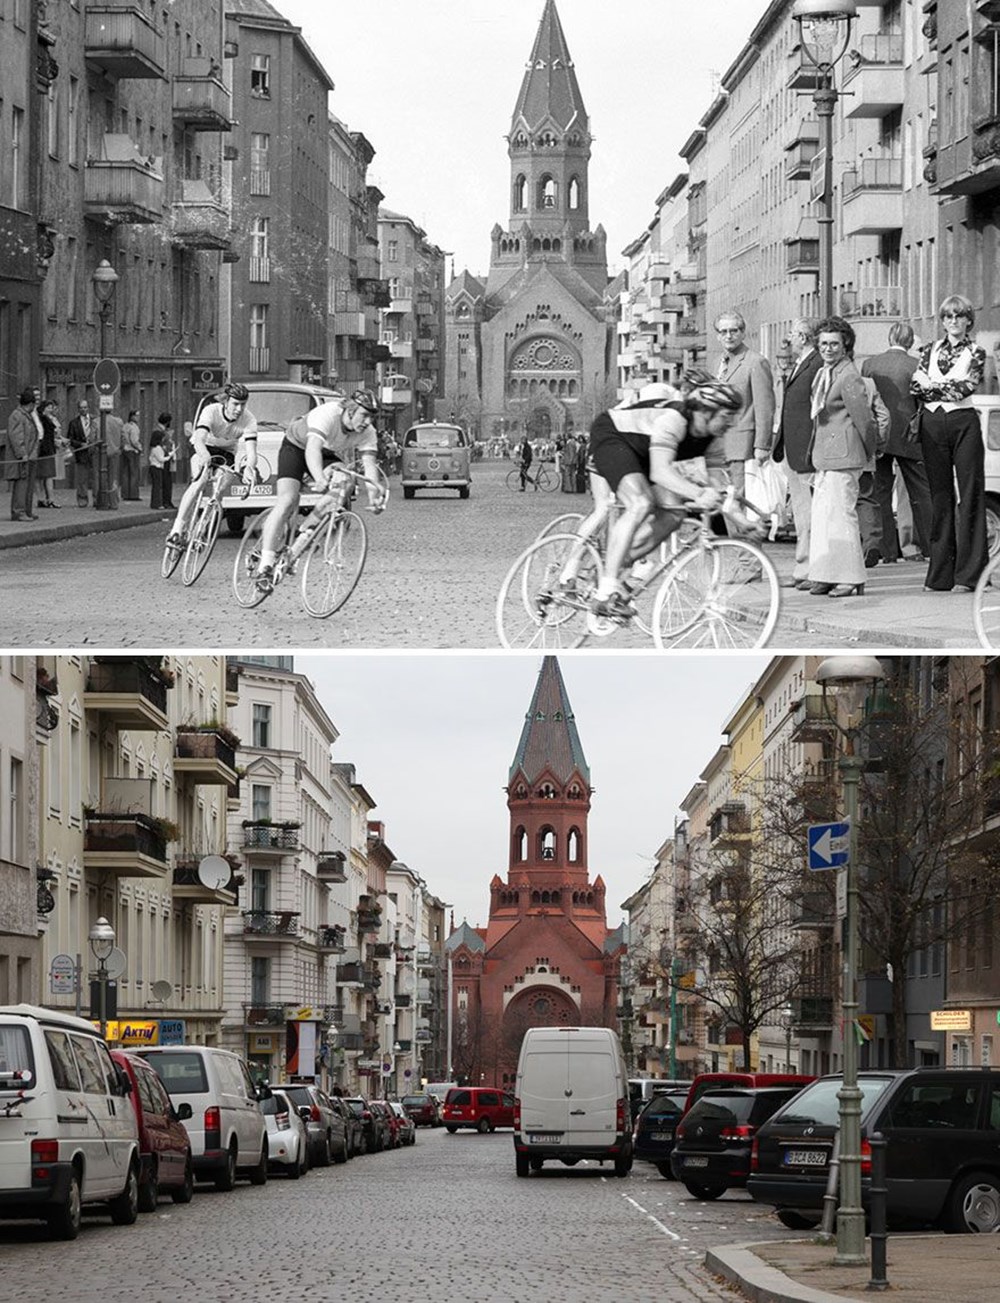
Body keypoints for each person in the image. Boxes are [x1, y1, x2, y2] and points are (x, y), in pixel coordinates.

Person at [586, 381, 759, 617]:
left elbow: (716, 483)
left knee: (675, 514)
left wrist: (741, 520)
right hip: (615, 435)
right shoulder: (674, 420)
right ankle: (604, 593)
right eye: (727, 415)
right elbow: (660, 472)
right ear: (706, 412)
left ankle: (618, 562)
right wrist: (699, 494)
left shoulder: (714, 437)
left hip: (647, 452)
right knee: (640, 503)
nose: (732, 423)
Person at [255, 388, 385, 591]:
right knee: (287, 500)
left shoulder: (367, 433)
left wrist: (373, 497)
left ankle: (304, 534)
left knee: (347, 481)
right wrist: (319, 478)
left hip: (327, 452)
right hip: (297, 446)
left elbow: (369, 466)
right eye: (365, 415)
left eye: (372, 417)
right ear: (350, 410)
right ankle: (265, 566)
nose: (368, 422)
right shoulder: (327, 414)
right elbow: (312, 448)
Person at [910, 293, 987, 593]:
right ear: (942, 321)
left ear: (968, 319)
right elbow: (916, 386)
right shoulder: (929, 350)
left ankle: (970, 575)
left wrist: (934, 386)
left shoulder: (977, 352)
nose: (953, 321)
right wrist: (936, 387)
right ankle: (940, 575)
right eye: (947, 316)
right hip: (932, 424)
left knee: (970, 494)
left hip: (963, 423)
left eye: (959, 316)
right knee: (939, 496)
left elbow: (967, 386)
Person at [806, 317, 879, 598]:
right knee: (824, 518)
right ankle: (825, 574)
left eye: (834, 343)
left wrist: (867, 452)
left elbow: (864, 419)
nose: (828, 348)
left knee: (842, 519)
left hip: (844, 456)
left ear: (845, 344)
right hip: (825, 456)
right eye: (823, 343)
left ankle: (850, 578)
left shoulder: (848, 375)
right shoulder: (827, 372)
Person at [860, 322, 932, 566]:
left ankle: (885, 550)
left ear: (889, 338)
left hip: (880, 435)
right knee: (921, 492)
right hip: (909, 437)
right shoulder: (916, 365)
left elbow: (864, 400)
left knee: (879, 492)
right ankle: (932, 545)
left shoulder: (870, 365)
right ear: (910, 342)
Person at [165, 382, 258, 547]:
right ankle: (177, 529)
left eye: (243, 404)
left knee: (220, 490)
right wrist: (204, 455)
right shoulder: (211, 411)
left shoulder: (249, 419)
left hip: (227, 453)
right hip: (204, 447)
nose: (239, 409)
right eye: (235, 404)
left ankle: (202, 531)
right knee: (200, 482)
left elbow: (251, 452)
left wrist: (250, 468)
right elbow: (199, 438)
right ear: (226, 401)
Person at [774, 319, 822, 589]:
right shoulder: (801, 363)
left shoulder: (813, 364)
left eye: (792, 333)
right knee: (802, 512)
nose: (789, 338)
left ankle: (807, 568)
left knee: (807, 512)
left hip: (804, 450)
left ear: (803, 337)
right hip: (793, 448)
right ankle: (803, 565)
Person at [714, 310, 775, 494]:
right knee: (724, 504)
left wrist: (762, 446)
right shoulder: (718, 363)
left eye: (733, 331)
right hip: (719, 447)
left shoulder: (755, 362)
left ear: (743, 333)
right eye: (723, 332)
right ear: (718, 336)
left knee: (739, 500)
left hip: (743, 446)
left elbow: (764, 407)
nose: (728, 336)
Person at [5, 387, 40, 521]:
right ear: (30, 404)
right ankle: (19, 511)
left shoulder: (26, 415)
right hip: (23, 457)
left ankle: (27, 510)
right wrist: (22, 454)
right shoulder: (17, 415)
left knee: (28, 485)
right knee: (21, 485)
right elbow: (16, 437)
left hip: (30, 456)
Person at [66, 398, 95, 507]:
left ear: (88, 408)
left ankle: (97, 499)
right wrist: (80, 444)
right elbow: (70, 439)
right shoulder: (74, 423)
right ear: (78, 409)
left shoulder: (95, 420)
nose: (83, 410)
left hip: (94, 452)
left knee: (95, 477)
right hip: (81, 454)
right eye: (81, 408)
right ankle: (82, 499)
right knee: (82, 479)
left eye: (85, 407)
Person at [36, 398, 62, 509]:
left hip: (45, 449)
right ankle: (48, 499)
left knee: (42, 476)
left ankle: (42, 499)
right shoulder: (43, 419)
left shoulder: (45, 418)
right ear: (44, 408)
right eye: (49, 407)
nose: (51, 409)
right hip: (45, 450)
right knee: (47, 476)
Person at [120, 408, 143, 501]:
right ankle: (133, 494)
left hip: (125, 450)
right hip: (132, 451)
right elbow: (134, 440)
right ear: (132, 416)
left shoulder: (125, 426)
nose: (138, 417)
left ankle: (125, 493)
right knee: (134, 473)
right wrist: (139, 448)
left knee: (125, 473)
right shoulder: (134, 427)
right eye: (136, 415)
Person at [148, 429, 169, 509]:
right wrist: (168, 457)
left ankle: (155, 503)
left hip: (155, 467)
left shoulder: (155, 448)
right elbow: (161, 459)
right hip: (157, 467)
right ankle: (157, 504)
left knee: (156, 486)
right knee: (157, 486)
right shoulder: (157, 448)